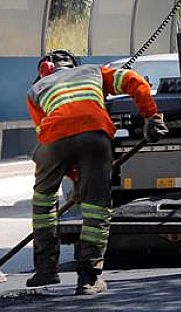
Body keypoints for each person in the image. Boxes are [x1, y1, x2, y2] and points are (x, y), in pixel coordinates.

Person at [24, 49, 167, 295]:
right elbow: (135, 81)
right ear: (74, 64)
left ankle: (46, 269)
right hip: (94, 133)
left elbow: (49, 134)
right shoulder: (94, 72)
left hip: (52, 142)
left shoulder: (35, 90)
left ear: (44, 70)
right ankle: (89, 280)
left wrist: (74, 178)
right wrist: (151, 116)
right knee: (96, 207)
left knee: (44, 202)